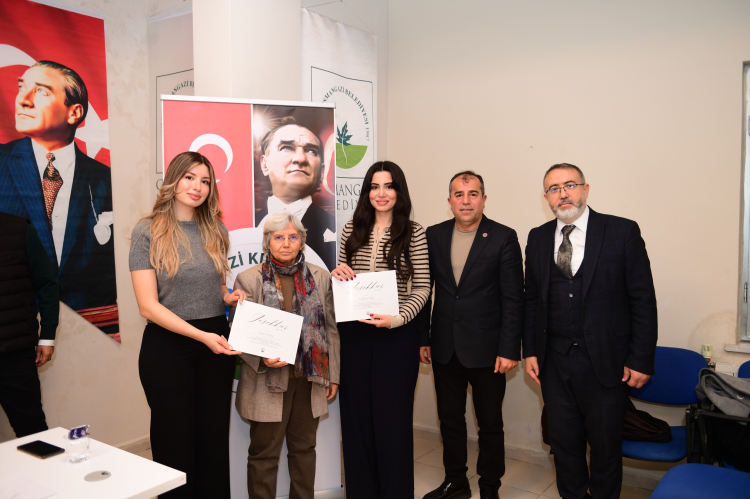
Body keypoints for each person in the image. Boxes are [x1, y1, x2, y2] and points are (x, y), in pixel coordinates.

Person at [523, 163, 658, 499]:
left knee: (606, 449)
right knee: (564, 445)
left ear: (585, 189)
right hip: (554, 364)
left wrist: (641, 358)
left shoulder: (622, 231)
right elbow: (531, 301)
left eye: (570, 185)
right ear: (546, 197)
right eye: (554, 189)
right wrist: (530, 351)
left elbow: (642, 300)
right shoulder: (537, 237)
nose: (563, 194)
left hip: (607, 363)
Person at [129, 151, 244, 499]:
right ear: (173, 180)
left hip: (215, 346)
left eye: (205, 181)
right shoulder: (147, 231)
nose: (198, 187)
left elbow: (215, 285)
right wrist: (201, 336)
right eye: (190, 177)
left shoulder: (215, 230)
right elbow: (148, 306)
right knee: (174, 445)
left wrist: (228, 297)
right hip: (169, 348)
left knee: (212, 443)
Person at [418, 171, 524, 499]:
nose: (466, 201)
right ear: (450, 200)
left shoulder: (503, 237)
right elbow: (424, 290)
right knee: (450, 420)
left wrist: (510, 348)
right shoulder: (433, 235)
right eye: (459, 194)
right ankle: (456, 482)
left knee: (489, 423)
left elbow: (513, 298)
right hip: (444, 347)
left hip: (488, 350)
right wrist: (424, 337)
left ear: (484, 199)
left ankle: (490, 487)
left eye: (473, 194)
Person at [332, 160, 430, 498]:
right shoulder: (351, 229)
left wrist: (397, 318)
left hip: (396, 337)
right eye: (374, 186)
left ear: (399, 191)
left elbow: (423, 287)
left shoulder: (414, 232)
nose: (381, 193)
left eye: (389, 186)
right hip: (355, 335)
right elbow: (344, 277)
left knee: (392, 423)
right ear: (367, 192)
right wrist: (338, 273)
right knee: (356, 421)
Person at [0, 60, 117, 335]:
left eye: (41, 91)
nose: (23, 100)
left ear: (74, 112)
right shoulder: (3, 163)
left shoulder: (105, 179)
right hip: (14, 324)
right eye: (22, 87)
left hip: (92, 329)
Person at [230, 211, 340, 499]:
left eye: (293, 237)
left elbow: (330, 329)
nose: (286, 243)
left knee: (304, 451)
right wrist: (261, 358)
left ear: (301, 241)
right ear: (267, 241)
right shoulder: (248, 279)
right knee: (264, 455)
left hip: (309, 380)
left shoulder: (320, 277)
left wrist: (333, 375)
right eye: (279, 237)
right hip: (267, 381)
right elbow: (238, 331)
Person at [0, 212, 59, 438]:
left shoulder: (19, 229)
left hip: (14, 354)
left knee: (32, 432)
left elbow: (46, 284)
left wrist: (47, 336)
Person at [255, 117, 336, 271]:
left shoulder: (335, 231)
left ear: (322, 171)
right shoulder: (250, 225)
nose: (300, 158)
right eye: (286, 147)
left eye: (311, 151)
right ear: (265, 164)